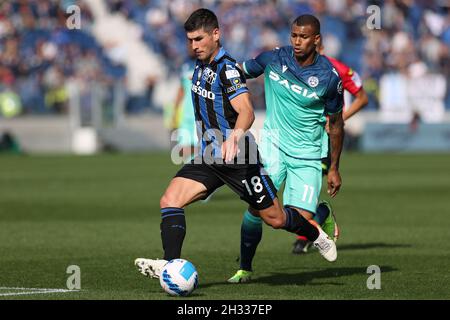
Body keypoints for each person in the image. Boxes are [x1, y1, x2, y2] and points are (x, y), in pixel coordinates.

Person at [134, 8, 337, 280]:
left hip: (241, 158)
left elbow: (247, 111)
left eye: (199, 39)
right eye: (190, 40)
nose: (193, 46)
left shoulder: (227, 69)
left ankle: (315, 233)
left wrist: (233, 137)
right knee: (170, 200)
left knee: (275, 219)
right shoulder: (201, 64)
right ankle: (170, 265)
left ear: (216, 35)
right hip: (210, 155)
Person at [228, 14, 345, 283]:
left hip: (307, 155)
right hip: (273, 146)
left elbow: (337, 125)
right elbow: (238, 71)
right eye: (294, 35)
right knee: (257, 208)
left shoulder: (329, 78)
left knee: (297, 220)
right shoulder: (274, 59)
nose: (297, 41)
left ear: (316, 40)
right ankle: (245, 268)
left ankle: (322, 213)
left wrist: (335, 168)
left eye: (303, 37)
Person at [292, 41, 369, 254]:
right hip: (302, 137)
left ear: (321, 48)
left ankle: (304, 237)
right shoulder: (296, 69)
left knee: (311, 182)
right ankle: (322, 214)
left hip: (325, 138)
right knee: (294, 189)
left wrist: (338, 119)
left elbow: (363, 98)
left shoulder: (340, 70)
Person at [171, 45, 198, 162]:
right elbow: (182, 88)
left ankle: (197, 175)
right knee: (183, 149)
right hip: (186, 112)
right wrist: (175, 108)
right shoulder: (185, 65)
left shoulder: (204, 64)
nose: (190, 48)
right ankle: (190, 174)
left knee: (198, 148)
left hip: (199, 112)